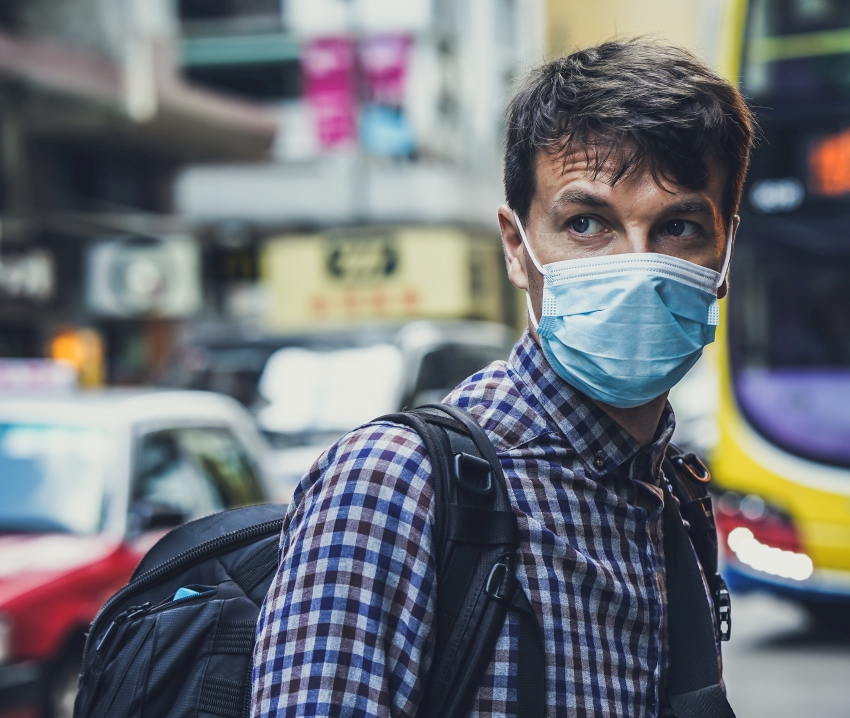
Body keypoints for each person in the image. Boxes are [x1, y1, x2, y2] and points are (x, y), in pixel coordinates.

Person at [252, 40, 755, 717]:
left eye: (679, 226)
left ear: (723, 249)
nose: (638, 266)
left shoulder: (673, 500)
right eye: (586, 223)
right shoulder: (394, 485)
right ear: (517, 246)